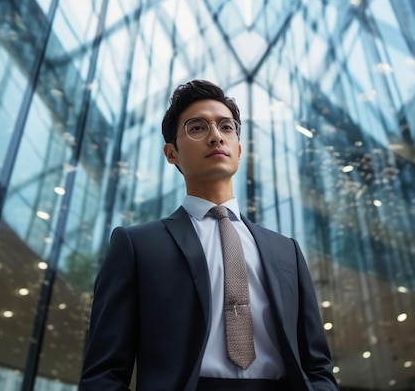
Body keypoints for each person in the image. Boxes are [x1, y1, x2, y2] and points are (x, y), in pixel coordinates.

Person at [79, 79, 338, 391]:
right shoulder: (137, 246)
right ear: (171, 153)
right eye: (198, 128)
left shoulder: (287, 251)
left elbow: (317, 365)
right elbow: (103, 374)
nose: (216, 136)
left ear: (239, 151)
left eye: (226, 127)